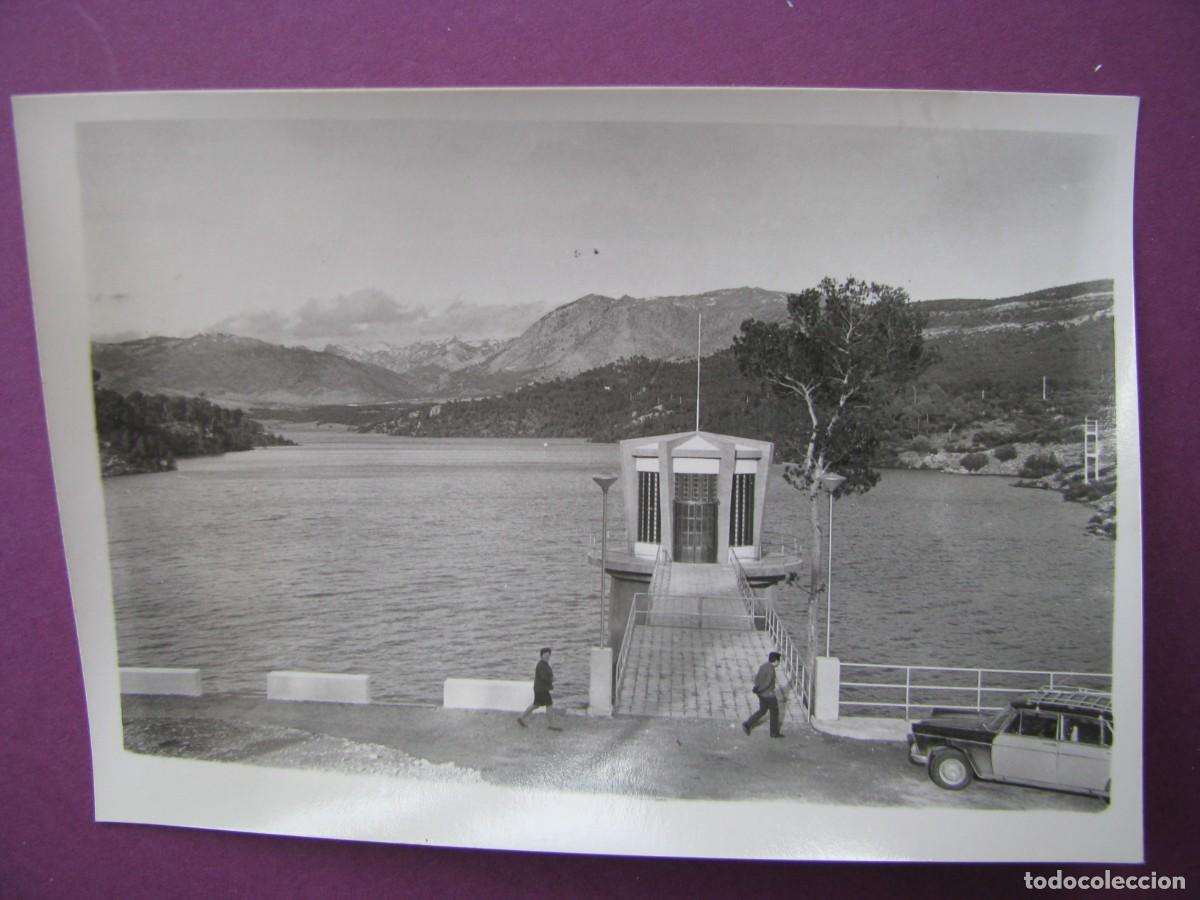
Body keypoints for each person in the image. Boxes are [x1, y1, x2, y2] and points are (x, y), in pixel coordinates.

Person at [517, 647, 562, 730]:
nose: (547, 656)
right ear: (541, 655)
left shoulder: (544, 664)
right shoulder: (541, 665)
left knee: (536, 705)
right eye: (545, 655)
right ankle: (551, 725)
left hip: (539, 689)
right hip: (542, 689)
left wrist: (551, 678)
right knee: (549, 705)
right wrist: (552, 679)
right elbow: (543, 677)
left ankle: (521, 718)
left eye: (548, 655)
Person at [742, 651, 784, 738]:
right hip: (769, 695)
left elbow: (757, 678)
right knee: (774, 713)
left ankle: (747, 724)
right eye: (779, 661)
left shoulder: (763, 666)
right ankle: (774, 732)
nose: (779, 663)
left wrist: (757, 688)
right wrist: (759, 690)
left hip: (761, 694)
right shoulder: (771, 670)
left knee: (762, 710)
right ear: (776, 661)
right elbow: (767, 683)